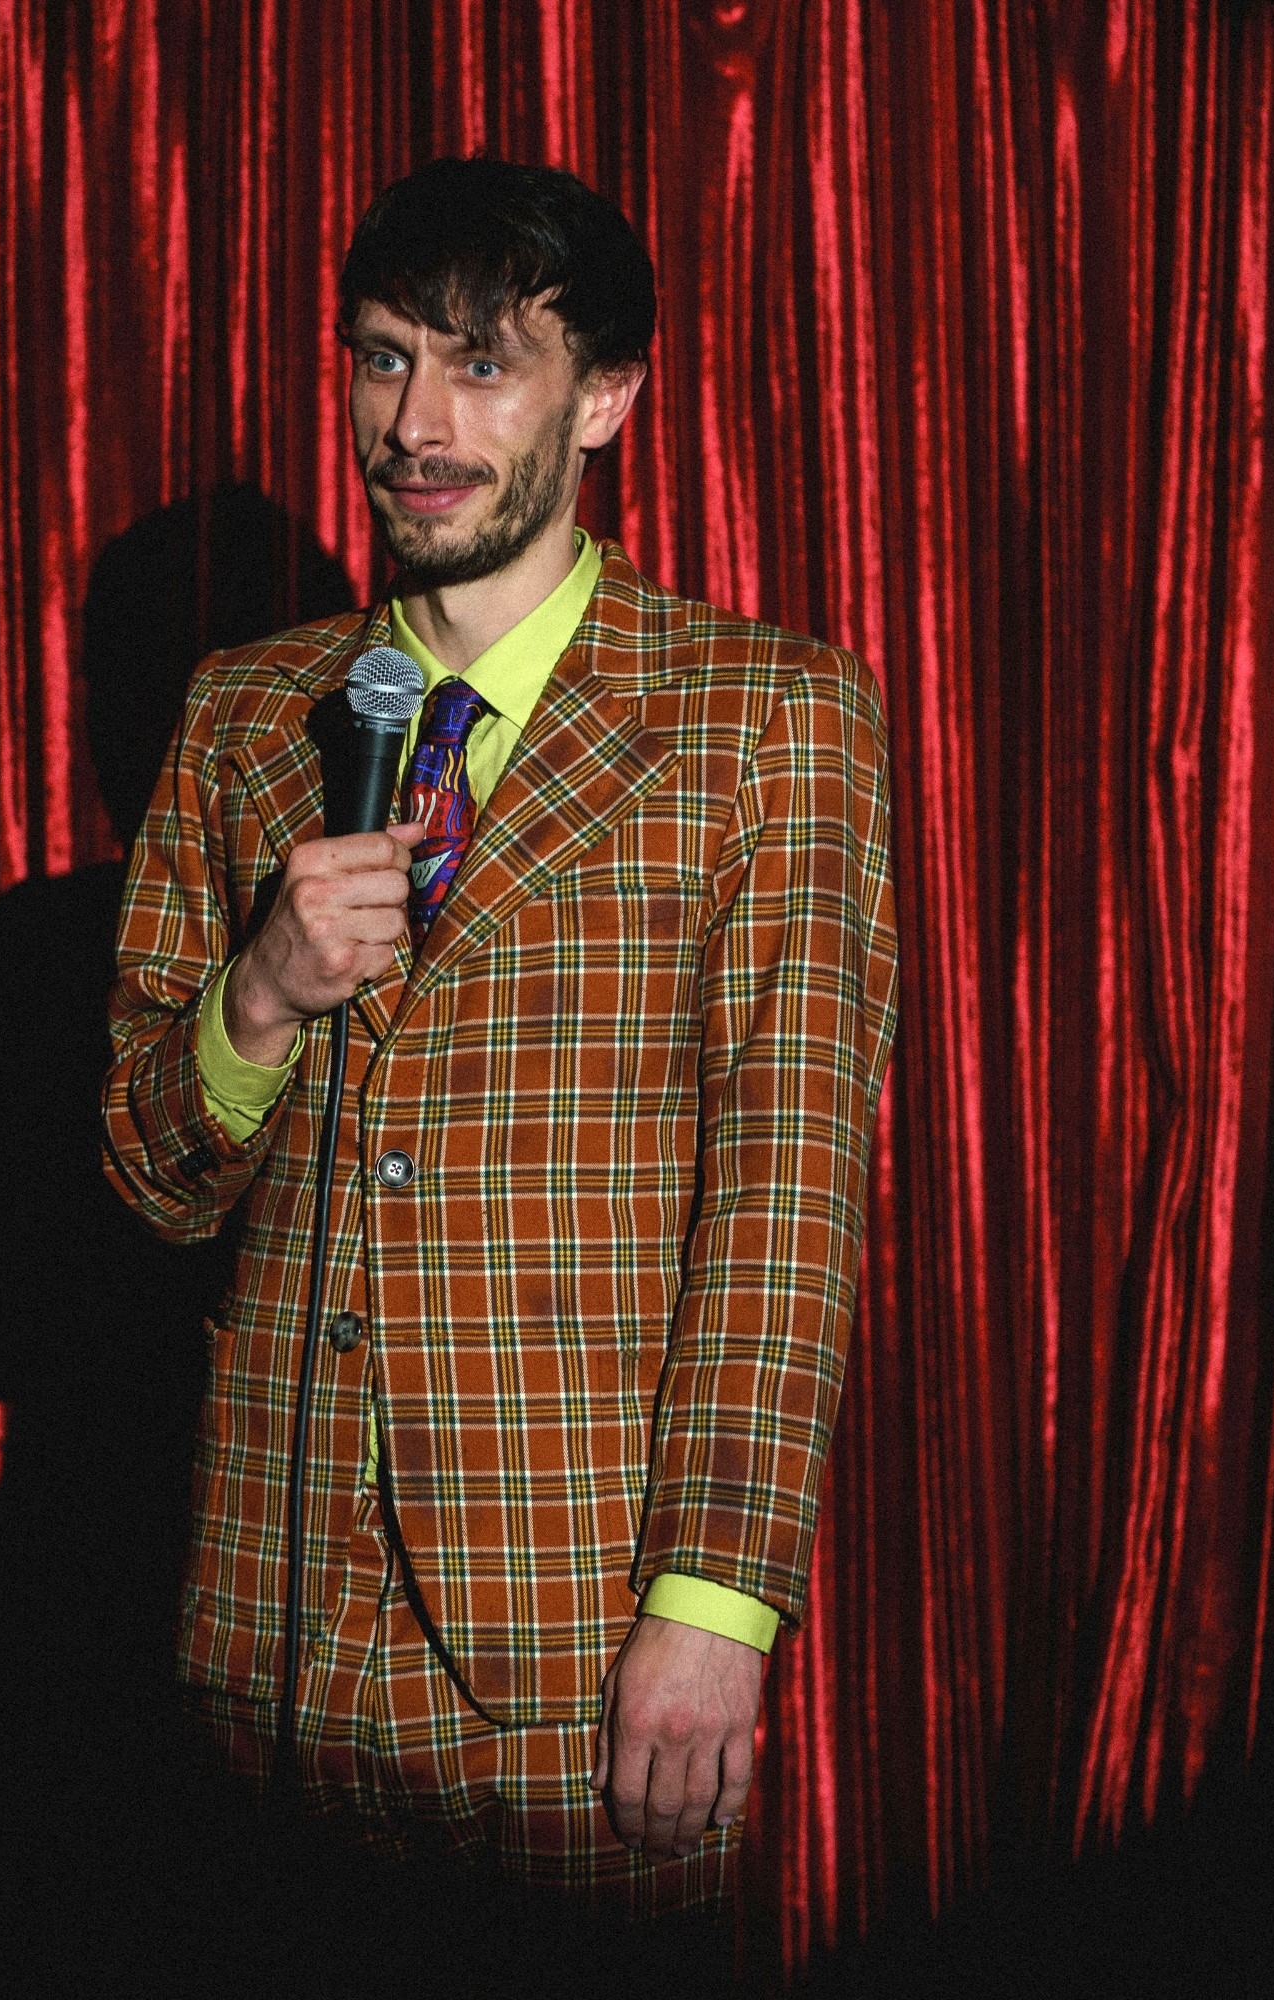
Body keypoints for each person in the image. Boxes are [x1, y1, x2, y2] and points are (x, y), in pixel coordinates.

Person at [100, 156, 899, 1923]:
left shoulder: (767, 718)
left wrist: (714, 1610)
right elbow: (151, 1183)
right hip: (270, 1637)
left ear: (604, 397)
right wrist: (258, 996)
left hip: (574, 1643)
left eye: (482, 364)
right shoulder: (245, 713)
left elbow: (787, 1202)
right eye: (384, 358)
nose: (417, 424)